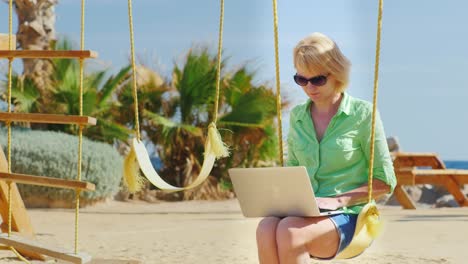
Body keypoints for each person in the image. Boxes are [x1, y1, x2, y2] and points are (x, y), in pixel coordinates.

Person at [256, 32, 397, 263]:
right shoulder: (298, 116)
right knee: (266, 227)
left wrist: (338, 200)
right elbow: (292, 172)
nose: (309, 87)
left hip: (352, 216)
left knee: (290, 231)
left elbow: (386, 181)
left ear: (336, 74)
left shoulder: (363, 114)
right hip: (306, 213)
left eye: (318, 79)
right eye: (301, 80)